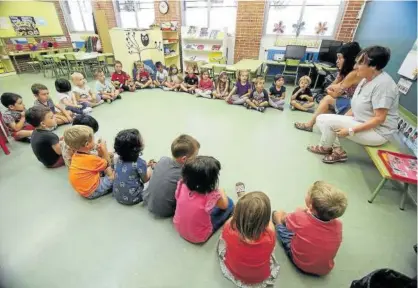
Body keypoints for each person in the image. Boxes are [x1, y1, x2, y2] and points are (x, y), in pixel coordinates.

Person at [307, 46, 400, 164]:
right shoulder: (366, 79)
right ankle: (331, 149)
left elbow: (379, 119)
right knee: (325, 120)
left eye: (360, 63)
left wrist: (350, 130)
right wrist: (342, 119)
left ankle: (334, 151)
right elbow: (355, 106)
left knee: (324, 120)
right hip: (361, 121)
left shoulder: (384, 86)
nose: (355, 67)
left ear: (374, 66)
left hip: (377, 133)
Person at [272, 181, 347, 276]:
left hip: (301, 263)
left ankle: (276, 221)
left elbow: (285, 221)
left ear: (311, 205)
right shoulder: (339, 225)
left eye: (308, 193)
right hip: (324, 270)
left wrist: (297, 212)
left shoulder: (299, 217)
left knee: (277, 215)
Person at [295, 42, 362, 131]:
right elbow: (330, 89)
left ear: (348, 59)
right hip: (351, 102)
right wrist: (339, 78)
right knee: (325, 104)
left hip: (356, 106)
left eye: (339, 58)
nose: (337, 61)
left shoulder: (353, 74)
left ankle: (309, 125)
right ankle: (327, 127)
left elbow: (334, 94)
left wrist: (335, 87)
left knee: (327, 99)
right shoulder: (347, 73)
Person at [218, 191, 280, 287]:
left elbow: (231, 221)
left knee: (223, 241)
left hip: (234, 271)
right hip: (259, 277)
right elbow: (270, 226)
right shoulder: (269, 237)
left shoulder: (229, 230)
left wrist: (239, 214)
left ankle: (241, 198)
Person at [173, 156, 234, 243]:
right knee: (230, 203)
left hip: (178, 228)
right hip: (199, 237)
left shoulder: (181, 184)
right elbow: (224, 206)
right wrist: (222, 191)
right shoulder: (211, 195)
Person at [143, 134, 200, 218]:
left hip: (147, 200)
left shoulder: (163, 159)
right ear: (184, 159)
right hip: (165, 211)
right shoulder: (186, 175)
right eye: (195, 156)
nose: (196, 158)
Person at [64, 125, 114, 199]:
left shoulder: (76, 155)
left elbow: (98, 161)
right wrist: (104, 149)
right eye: (93, 140)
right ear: (87, 144)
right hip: (92, 191)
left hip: (82, 189)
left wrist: (100, 152)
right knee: (114, 175)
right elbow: (107, 164)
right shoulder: (90, 159)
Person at [113, 129, 153, 205]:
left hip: (117, 195)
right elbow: (145, 179)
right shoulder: (140, 163)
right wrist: (150, 169)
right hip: (133, 198)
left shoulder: (117, 159)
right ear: (137, 148)